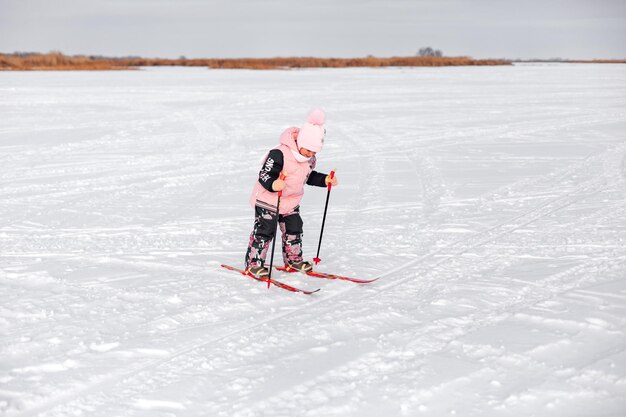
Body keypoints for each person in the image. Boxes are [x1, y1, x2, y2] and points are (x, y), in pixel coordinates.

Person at [245, 109, 338, 278]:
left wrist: (325, 180)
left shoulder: (309, 159)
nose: (310, 155)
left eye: (314, 152)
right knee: (266, 229)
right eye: (308, 150)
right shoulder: (279, 153)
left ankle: (293, 260)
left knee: (294, 227)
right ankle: (254, 262)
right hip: (269, 199)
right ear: (300, 142)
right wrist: (274, 183)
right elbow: (264, 174)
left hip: (290, 201)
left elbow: (308, 176)